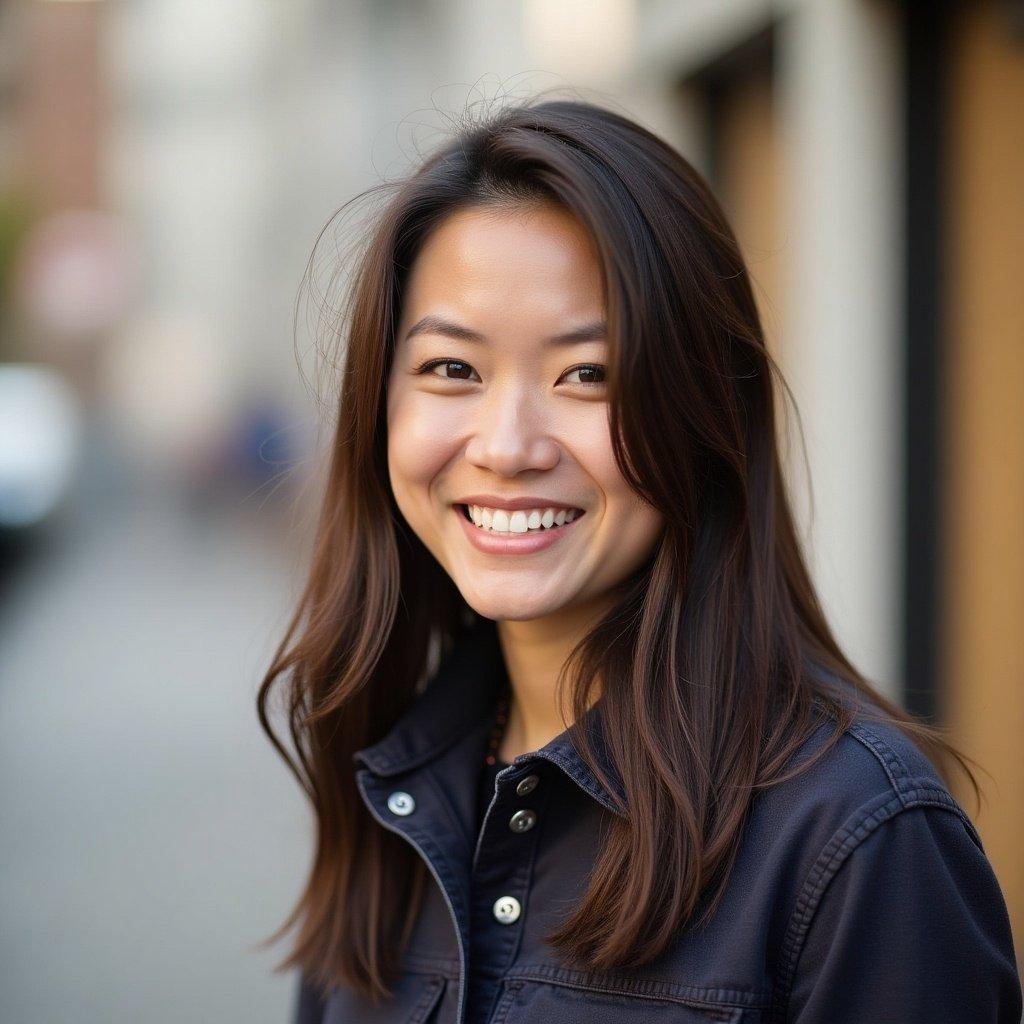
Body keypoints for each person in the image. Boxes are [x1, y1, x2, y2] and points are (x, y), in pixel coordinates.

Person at [257, 98, 1022, 1024]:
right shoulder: (394, 789)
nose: (507, 445)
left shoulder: (855, 839)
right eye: (453, 370)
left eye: (590, 375)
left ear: (704, 414)